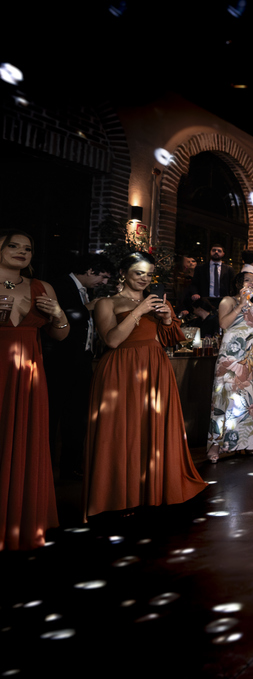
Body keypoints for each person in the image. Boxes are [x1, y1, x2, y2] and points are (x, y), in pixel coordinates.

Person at [85, 251, 207, 518]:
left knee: (153, 428)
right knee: (121, 431)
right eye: (139, 273)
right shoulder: (106, 303)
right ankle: (118, 496)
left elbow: (172, 340)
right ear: (123, 273)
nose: (144, 279)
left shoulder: (159, 302)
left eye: (149, 275)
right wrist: (139, 311)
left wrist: (166, 319)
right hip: (120, 370)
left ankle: (155, 490)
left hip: (155, 368)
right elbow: (112, 340)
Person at [1, 230, 65, 549]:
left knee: (24, 438)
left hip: (28, 374)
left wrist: (58, 315)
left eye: (27, 248)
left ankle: (19, 518)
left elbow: (60, 334)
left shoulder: (43, 287)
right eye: (13, 245)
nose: (21, 251)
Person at [44, 252, 112, 479]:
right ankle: (45, 470)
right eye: (103, 276)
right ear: (90, 270)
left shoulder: (87, 291)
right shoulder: (58, 285)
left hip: (82, 361)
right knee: (52, 417)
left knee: (77, 417)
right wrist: (88, 307)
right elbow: (57, 317)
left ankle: (71, 468)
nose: (104, 282)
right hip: (58, 362)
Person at [207, 271, 253, 462]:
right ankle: (216, 445)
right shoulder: (228, 301)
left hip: (250, 359)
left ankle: (248, 442)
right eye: (247, 280)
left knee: (248, 402)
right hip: (230, 358)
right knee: (224, 400)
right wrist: (240, 305)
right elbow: (223, 324)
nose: (252, 284)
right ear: (238, 283)